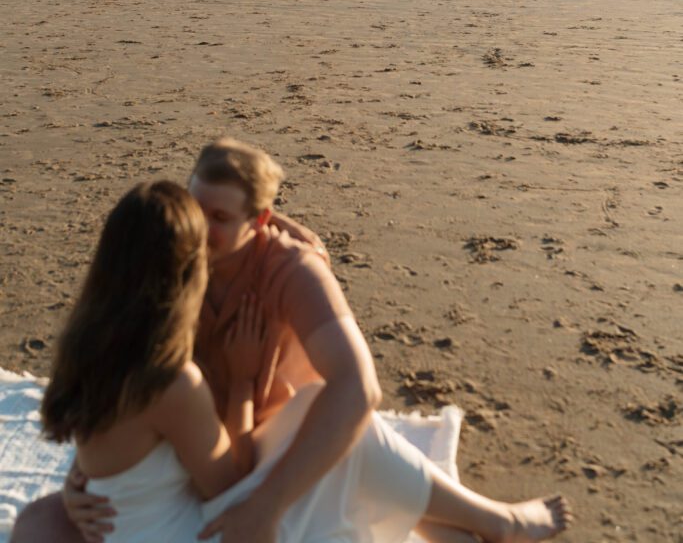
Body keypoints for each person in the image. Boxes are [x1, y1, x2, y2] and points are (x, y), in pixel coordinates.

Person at [12, 143, 572, 543]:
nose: (203, 231)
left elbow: (357, 389)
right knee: (40, 523)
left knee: (334, 418)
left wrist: (95, 470)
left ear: (259, 221)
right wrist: (83, 479)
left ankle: (482, 521)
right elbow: (219, 482)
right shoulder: (172, 338)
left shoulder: (99, 332)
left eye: (220, 217)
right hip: (201, 462)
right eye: (196, 210)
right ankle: (484, 523)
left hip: (222, 448)